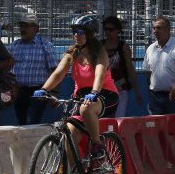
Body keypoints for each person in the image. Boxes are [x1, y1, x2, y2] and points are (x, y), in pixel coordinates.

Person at [34, 15, 118, 163]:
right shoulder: (72, 53)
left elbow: (99, 74)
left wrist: (94, 92)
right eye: (74, 32)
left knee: (86, 109)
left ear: (90, 34)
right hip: (81, 96)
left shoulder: (99, 53)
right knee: (68, 136)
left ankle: (97, 145)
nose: (76, 35)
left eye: (80, 32)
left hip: (104, 94)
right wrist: (45, 89)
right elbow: (58, 73)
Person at [8, 15, 58, 125]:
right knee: (22, 123)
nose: (22, 29)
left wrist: (53, 92)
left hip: (38, 92)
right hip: (18, 91)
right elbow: (6, 67)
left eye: (26, 26)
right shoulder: (14, 46)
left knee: (31, 122)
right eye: (21, 26)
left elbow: (55, 70)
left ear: (36, 28)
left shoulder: (45, 45)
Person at [142, 16, 175, 115]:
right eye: (154, 28)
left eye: (159, 28)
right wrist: (151, 90)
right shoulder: (150, 49)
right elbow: (148, 72)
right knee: (156, 127)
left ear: (168, 29)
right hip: (156, 98)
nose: (155, 31)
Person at [101, 16, 141, 117]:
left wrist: (137, 92)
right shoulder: (99, 46)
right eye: (105, 29)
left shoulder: (123, 47)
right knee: (103, 121)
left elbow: (130, 69)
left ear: (118, 30)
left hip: (120, 91)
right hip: (103, 91)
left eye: (111, 29)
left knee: (119, 120)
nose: (108, 32)